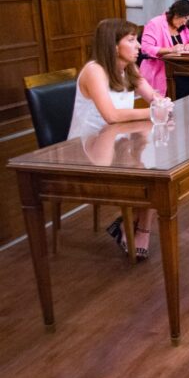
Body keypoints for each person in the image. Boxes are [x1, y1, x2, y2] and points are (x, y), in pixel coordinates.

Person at [68, 18, 165, 260]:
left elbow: (154, 98)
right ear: (113, 45)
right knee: (150, 173)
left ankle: (133, 224)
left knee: (158, 168)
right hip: (87, 149)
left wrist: (161, 103)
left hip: (118, 142)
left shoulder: (129, 68)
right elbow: (111, 116)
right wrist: (153, 112)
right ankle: (137, 227)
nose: (139, 46)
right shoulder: (94, 71)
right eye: (131, 40)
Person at [140, 0, 189, 96]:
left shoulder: (182, 27)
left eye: (188, 20)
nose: (185, 23)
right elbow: (146, 49)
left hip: (178, 71)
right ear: (177, 13)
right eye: (185, 18)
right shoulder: (155, 23)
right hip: (159, 71)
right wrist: (171, 49)